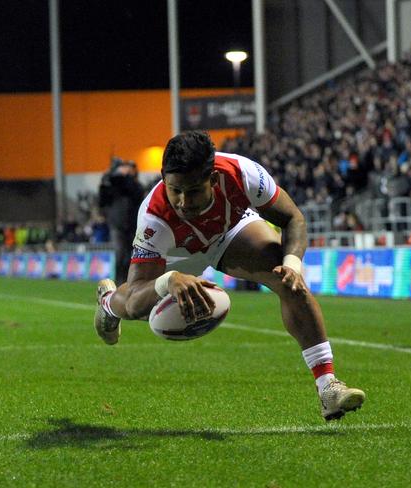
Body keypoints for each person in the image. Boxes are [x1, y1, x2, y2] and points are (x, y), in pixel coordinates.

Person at [93, 131, 365, 421]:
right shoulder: (154, 216)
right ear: (163, 177)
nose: (184, 201)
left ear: (212, 178)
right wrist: (169, 279)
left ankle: (328, 388)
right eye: (176, 190)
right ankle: (108, 303)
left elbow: (292, 217)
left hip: (229, 232)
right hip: (177, 251)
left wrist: (292, 264)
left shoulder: (242, 173)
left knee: (288, 281)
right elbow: (136, 293)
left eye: (194, 190)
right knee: (136, 308)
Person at [98, 158, 145, 285]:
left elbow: (134, 191)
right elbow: (102, 199)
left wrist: (125, 177)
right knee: (120, 255)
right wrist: (107, 177)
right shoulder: (114, 187)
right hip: (117, 225)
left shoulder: (136, 186)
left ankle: (130, 282)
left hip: (133, 227)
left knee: (131, 257)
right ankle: (119, 283)